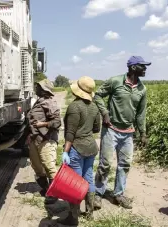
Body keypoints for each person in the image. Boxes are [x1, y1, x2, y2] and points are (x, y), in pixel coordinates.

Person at [94, 56, 151, 210]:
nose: (145, 69)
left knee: (124, 165)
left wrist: (143, 133)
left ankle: (118, 194)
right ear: (133, 67)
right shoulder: (115, 81)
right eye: (142, 66)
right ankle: (98, 194)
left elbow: (141, 113)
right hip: (111, 129)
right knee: (105, 164)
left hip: (128, 133)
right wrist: (105, 113)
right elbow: (98, 95)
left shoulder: (142, 89)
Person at [57, 76, 101, 226]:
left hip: (77, 147)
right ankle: (89, 212)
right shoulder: (94, 107)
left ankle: (73, 217)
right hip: (91, 147)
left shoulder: (74, 107)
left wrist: (65, 151)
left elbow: (70, 133)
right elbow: (97, 128)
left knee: (74, 184)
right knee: (88, 178)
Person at [26, 79, 61, 204]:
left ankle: (54, 193)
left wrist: (44, 123)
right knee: (36, 166)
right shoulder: (39, 101)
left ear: (44, 90)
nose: (36, 89)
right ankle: (46, 189)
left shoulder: (49, 103)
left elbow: (57, 122)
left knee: (49, 166)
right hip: (36, 139)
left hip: (47, 139)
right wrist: (30, 134)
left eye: (39, 87)